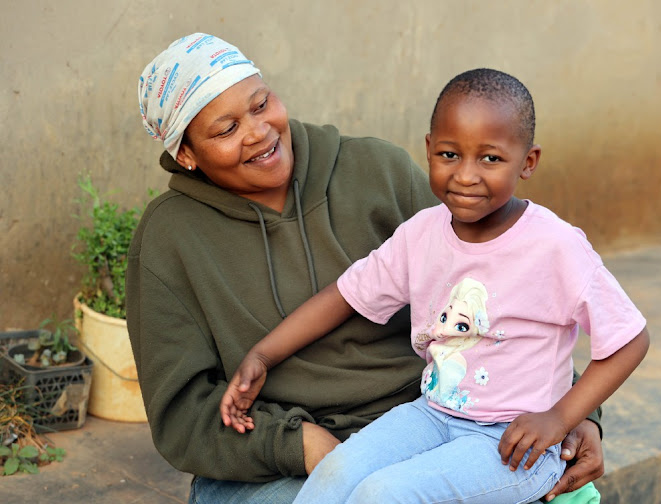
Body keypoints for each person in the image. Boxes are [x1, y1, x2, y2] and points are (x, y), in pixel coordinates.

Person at [130, 33, 606, 504]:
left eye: (260, 105)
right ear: (186, 154)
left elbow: (514, 291)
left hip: (432, 423)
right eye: (225, 129)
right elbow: (183, 416)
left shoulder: (374, 170)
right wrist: (298, 444)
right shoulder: (169, 239)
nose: (258, 132)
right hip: (275, 467)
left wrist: (578, 414)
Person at [221, 68, 650, 504]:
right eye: (449, 154)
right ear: (428, 149)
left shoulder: (555, 246)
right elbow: (343, 296)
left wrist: (560, 419)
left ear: (529, 162)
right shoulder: (421, 233)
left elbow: (629, 340)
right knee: (337, 472)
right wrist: (263, 354)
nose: (465, 176)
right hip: (433, 414)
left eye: (490, 159)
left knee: (384, 493)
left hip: (519, 445)